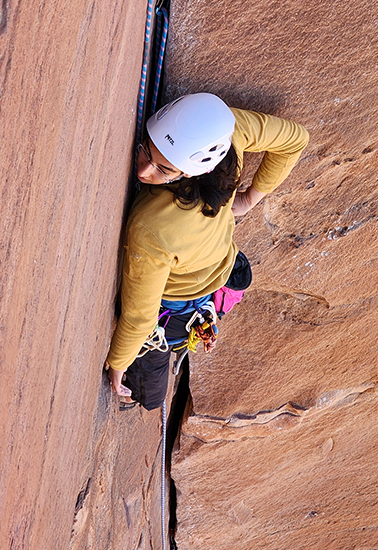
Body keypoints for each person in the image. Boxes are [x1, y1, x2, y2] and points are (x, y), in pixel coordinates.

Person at [105, 93, 309, 409]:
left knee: (149, 397)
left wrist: (118, 363)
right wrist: (250, 198)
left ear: (193, 171)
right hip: (219, 263)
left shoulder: (151, 227)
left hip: (172, 304)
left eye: (163, 169)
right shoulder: (229, 135)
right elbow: (294, 138)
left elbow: (141, 318)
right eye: (146, 148)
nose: (144, 171)